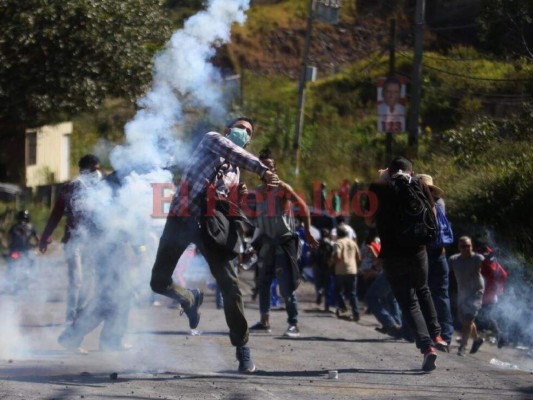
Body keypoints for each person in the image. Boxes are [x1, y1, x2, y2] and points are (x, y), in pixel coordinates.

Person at [150, 117, 280, 373]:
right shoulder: (212, 140)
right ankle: (189, 298)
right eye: (240, 127)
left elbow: (229, 204)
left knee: (231, 287)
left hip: (211, 228)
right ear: (227, 130)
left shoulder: (236, 171)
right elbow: (234, 152)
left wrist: (237, 197)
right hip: (181, 218)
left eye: (248, 131)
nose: (243, 132)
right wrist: (263, 170)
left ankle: (242, 348)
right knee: (158, 281)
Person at [365, 156, 445, 372]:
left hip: (392, 254)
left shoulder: (378, 188)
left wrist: (379, 181)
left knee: (408, 302)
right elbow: (434, 215)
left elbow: (368, 220)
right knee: (424, 289)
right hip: (418, 251)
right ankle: (437, 333)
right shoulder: (419, 184)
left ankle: (427, 347)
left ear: (389, 171)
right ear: (411, 170)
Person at [249, 148, 319, 337]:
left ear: (276, 169)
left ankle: (293, 323)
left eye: (270, 166)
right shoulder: (257, 193)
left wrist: (308, 233)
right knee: (263, 283)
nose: (267, 170)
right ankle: (264, 322)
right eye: (263, 166)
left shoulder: (282, 189)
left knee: (286, 285)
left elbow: (303, 208)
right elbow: (254, 220)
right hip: (267, 244)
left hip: (283, 243)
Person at [40, 154, 102, 323]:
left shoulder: (101, 189)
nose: (98, 173)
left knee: (89, 281)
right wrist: (45, 237)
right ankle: (70, 318)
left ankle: (79, 317)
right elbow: (56, 213)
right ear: (86, 169)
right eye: (95, 169)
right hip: (73, 241)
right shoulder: (71, 187)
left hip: (92, 242)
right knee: (77, 280)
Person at [417, 174, 454, 350]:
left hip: (425, 254)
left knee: (423, 293)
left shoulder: (419, 203)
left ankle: (426, 334)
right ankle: (446, 335)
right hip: (441, 253)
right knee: (442, 295)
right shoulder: (440, 203)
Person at [449, 236, 485, 356]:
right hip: (462, 294)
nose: (466, 249)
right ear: (459, 247)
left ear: (472, 246)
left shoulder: (477, 258)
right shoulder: (454, 259)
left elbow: (486, 260)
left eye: (468, 246)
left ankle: (462, 347)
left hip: (476, 293)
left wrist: (492, 256)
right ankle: (477, 339)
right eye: (463, 246)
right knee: (466, 322)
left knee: (468, 320)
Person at [477, 245, 508, 348]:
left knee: (477, 316)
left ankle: (479, 338)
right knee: (488, 318)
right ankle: (498, 335)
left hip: (485, 297)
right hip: (489, 297)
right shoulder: (500, 270)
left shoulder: (490, 266)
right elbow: (500, 291)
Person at [332, 224, 362, 321]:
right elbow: (359, 257)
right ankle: (356, 313)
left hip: (341, 271)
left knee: (337, 291)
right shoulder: (353, 243)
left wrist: (332, 262)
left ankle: (343, 307)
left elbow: (338, 256)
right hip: (352, 270)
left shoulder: (338, 243)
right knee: (352, 293)